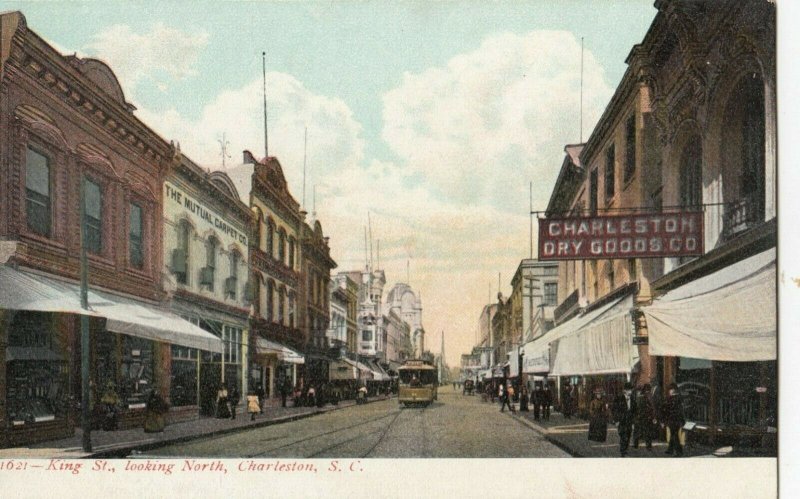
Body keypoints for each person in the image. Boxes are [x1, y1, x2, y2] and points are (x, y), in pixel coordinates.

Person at [612, 382, 637, 457]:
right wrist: (616, 420)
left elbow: (635, 411)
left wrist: (633, 422)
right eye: (629, 390)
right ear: (625, 391)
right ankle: (623, 452)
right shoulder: (619, 399)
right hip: (622, 421)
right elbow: (614, 410)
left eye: (631, 390)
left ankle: (625, 449)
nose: (630, 392)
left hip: (629, 421)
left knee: (628, 435)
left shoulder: (633, 399)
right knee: (623, 436)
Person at [661, 383, 686, 457]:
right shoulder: (679, 398)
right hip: (677, 420)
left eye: (670, 390)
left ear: (672, 390)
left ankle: (679, 452)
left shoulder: (671, 399)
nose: (669, 391)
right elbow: (680, 410)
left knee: (675, 436)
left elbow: (666, 409)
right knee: (673, 434)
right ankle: (670, 449)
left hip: (673, 420)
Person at [633, 383, 657, 451]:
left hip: (640, 416)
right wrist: (653, 416)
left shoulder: (639, 397)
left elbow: (636, 408)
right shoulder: (648, 397)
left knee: (638, 431)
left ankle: (636, 445)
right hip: (646, 417)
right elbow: (652, 408)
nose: (648, 392)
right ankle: (648, 446)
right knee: (647, 432)